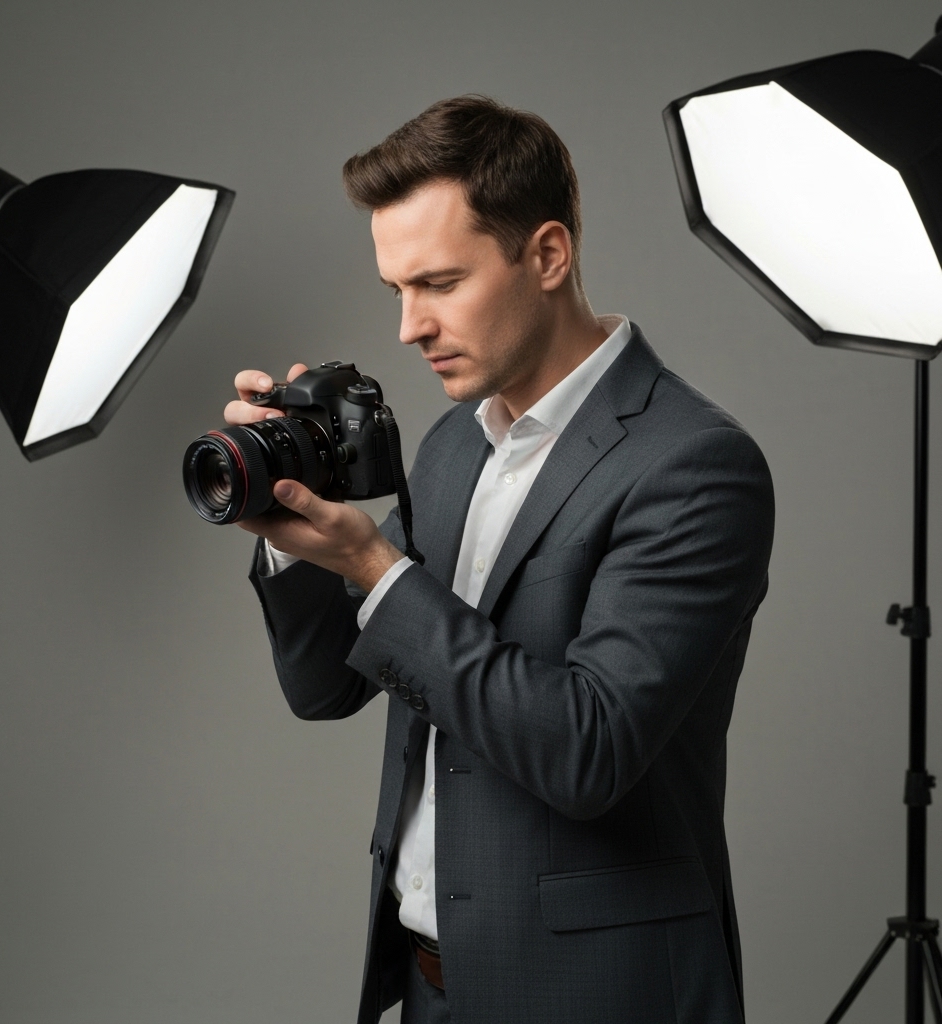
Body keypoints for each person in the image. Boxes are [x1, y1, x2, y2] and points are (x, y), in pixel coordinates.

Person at [226, 96, 774, 1024]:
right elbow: (326, 687)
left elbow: (589, 750)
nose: (408, 327)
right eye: (396, 290)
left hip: (602, 997)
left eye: (438, 283)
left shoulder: (693, 463)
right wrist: (289, 530)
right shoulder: (451, 449)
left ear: (548, 256)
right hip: (427, 987)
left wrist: (376, 570)